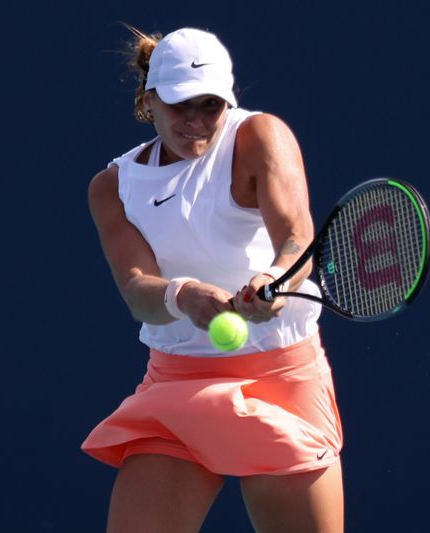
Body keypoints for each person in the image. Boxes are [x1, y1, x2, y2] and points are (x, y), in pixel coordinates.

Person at [82, 26, 344, 533]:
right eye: (181, 106)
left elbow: (296, 237)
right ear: (149, 100)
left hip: (281, 380)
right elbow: (138, 290)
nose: (197, 121)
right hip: (179, 382)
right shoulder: (113, 187)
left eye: (211, 104)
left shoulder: (259, 136)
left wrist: (274, 277)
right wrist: (184, 296)